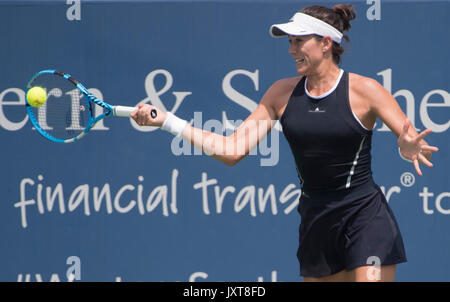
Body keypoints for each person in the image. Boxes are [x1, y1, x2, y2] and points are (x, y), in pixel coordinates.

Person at [130, 4, 439, 282]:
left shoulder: (366, 90)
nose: (291, 50)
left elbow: (407, 135)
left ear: (326, 43)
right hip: (316, 220)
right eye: (290, 42)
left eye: (298, 41)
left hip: (365, 216)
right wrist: (167, 120)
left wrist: (406, 147)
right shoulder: (281, 93)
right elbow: (231, 150)